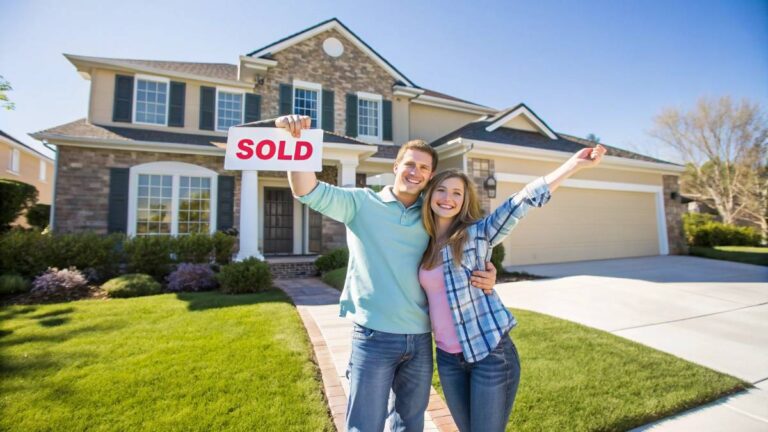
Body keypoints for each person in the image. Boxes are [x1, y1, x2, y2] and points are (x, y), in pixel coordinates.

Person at [268, 114, 498, 431]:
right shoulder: (360, 203)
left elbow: (467, 247)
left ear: (430, 176)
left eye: (424, 168)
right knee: (365, 424)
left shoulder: (434, 216)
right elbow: (306, 190)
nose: (415, 172)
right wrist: (297, 142)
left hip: (419, 338)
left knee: (409, 423)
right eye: (410, 164)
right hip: (374, 336)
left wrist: (489, 271)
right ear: (396, 167)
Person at [418, 145, 607, 431]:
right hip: (448, 359)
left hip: (490, 354)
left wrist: (572, 165)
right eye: (442, 190)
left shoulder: (476, 234)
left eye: (457, 193)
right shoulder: (423, 242)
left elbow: (520, 203)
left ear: (465, 201)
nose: (448, 198)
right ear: (430, 194)